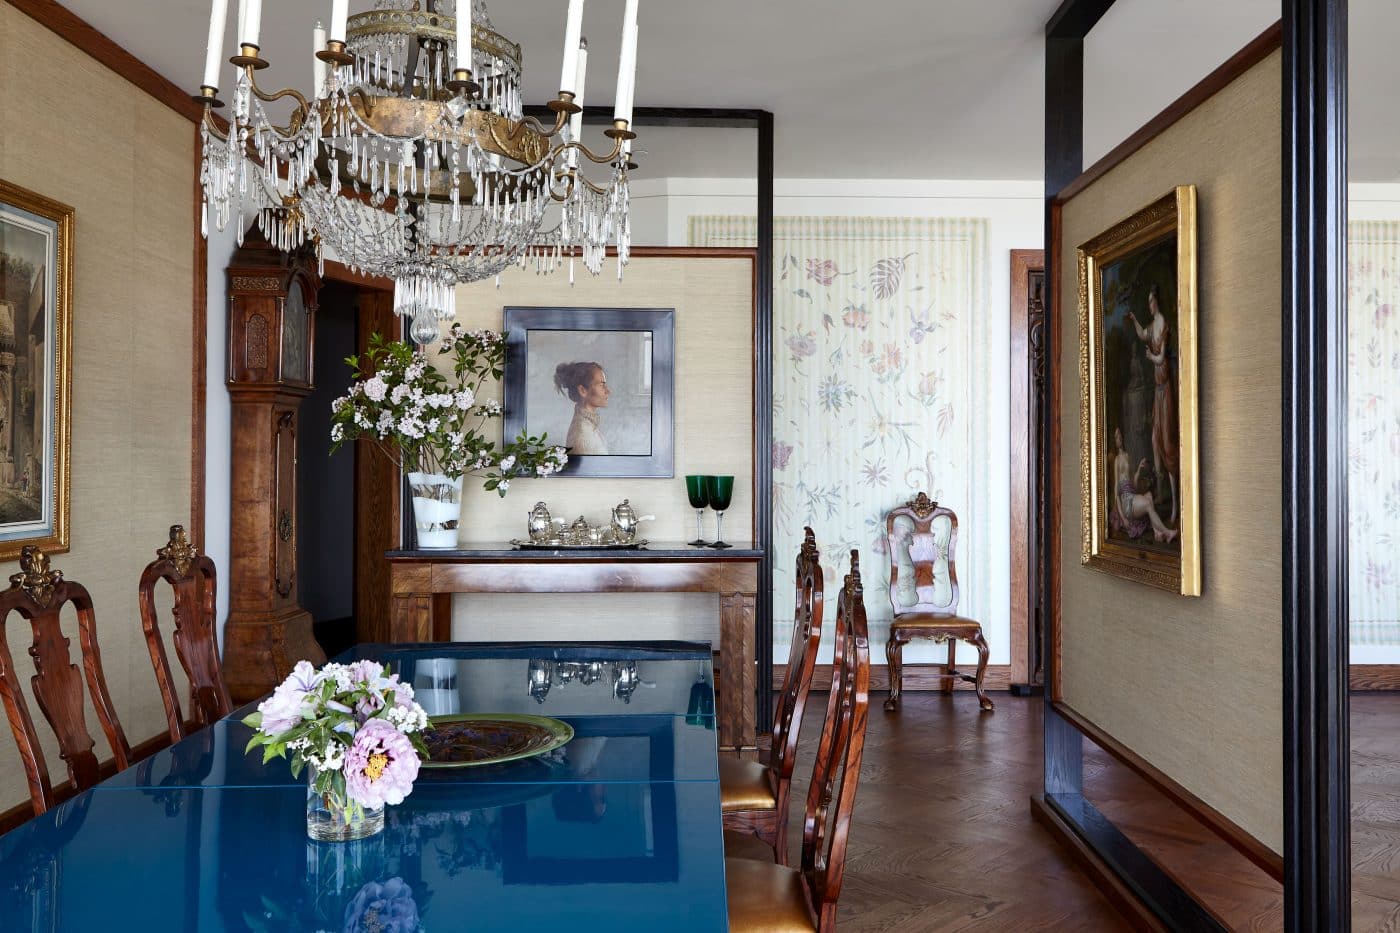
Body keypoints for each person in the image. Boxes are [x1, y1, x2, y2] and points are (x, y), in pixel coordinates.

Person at [1129, 284, 1179, 525]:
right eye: (1147, 302)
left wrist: (1151, 357)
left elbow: (1161, 358)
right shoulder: (1151, 325)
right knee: (1154, 440)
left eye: (1150, 302)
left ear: (1156, 302)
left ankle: (1176, 505)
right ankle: (1161, 492)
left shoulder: (1163, 324)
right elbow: (1141, 334)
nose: (1149, 305)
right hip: (1158, 393)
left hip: (1166, 391)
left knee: (1168, 444)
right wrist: (1134, 319)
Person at [1110, 426, 1177, 543]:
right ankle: (1168, 533)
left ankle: (1157, 532)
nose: (1119, 437)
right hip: (1126, 501)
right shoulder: (1117, 460)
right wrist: (1123, 517)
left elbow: (1134, 484)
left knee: (1150, 496)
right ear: (1115, 441)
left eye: (1120, 434)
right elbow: (1117, 492)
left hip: (1132, 495)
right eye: (1116, 436)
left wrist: (1139, 470)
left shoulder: (1127, 456)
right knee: (1147, 504)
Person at [554, 361, 610, 455]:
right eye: (601, 385)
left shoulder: (589, 425)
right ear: (582, 390)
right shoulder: (583, 435)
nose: (608, 391)